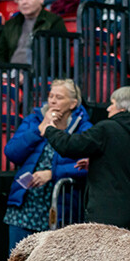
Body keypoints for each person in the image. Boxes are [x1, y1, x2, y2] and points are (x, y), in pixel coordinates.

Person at [0, 79, 91, 261]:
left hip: (58, 212)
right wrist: (40, 130)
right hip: (23, 206)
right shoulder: (34, 120)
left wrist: (55, 174)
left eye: (59, 98)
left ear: (73, 103)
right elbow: (12, 152)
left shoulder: (83, 128)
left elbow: (86, 165)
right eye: (50, 96)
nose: (53, 102)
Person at [41, 85, 130, 229]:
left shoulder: (107, 128)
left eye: (112, 104)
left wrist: (50, 129)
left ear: (122, 108)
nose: (108, 108)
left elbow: (70, 146)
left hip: (107, 215)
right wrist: (96, 163)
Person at [0, 0, 66, 64]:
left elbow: (58, 57)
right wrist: (2, 73)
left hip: (39, 74)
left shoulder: (54, 22)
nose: (24, 2)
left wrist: (30, 73)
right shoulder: (11, 24)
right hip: (12, 73)